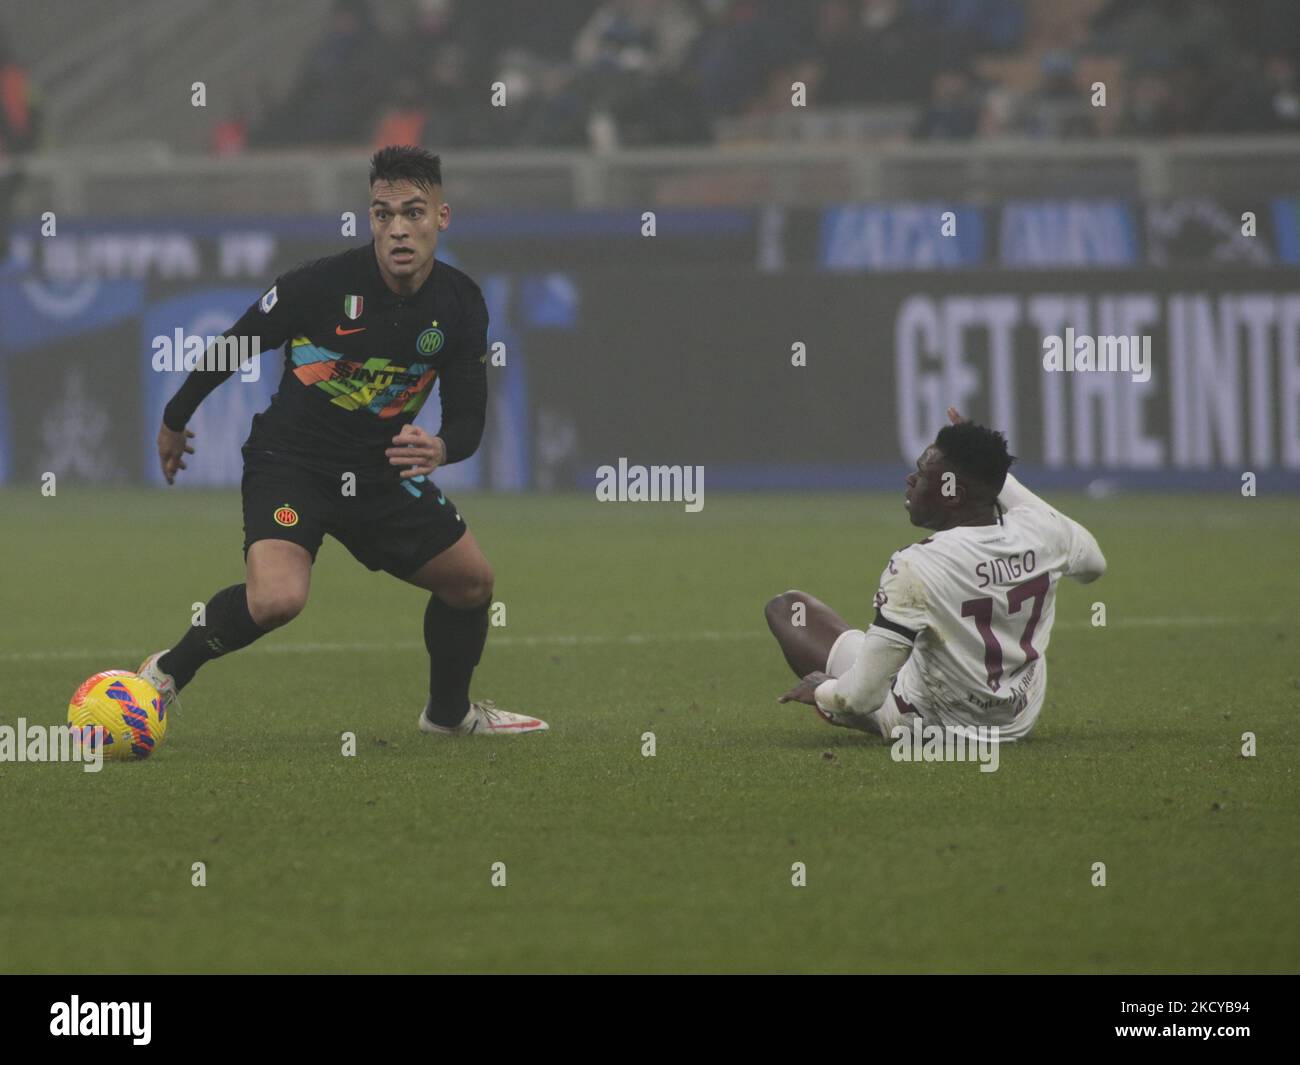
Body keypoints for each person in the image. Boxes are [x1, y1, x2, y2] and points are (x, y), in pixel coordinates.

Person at [140, 146, 547, 737]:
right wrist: (175, 421)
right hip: (292, 464)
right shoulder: (319, 285)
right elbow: (233, 345)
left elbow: (468, 419)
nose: (399, 229)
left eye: (414, 212)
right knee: (279, 599)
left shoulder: (461, 304)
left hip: (379, 473)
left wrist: (441, 449)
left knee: (472, 583)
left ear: (443, 217)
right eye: (384, 214)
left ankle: (448, 715)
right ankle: (165, 674)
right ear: (370, 220)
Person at [766, 407, 1105, 742]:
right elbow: (1094, 565)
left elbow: (860, 698)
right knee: (928, 640)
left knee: (787, 609)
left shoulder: (918, 565)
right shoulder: (1046, 530)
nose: (910, 480)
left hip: (939, 724)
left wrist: (823, 691)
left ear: (952, 493)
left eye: (922, 473)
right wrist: (993, 474)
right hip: (1017, 717)